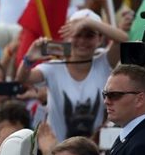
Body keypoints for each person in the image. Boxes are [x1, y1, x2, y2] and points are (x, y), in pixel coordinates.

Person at [18, 9, 123, 139]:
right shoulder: (52, 68)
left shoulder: (104, 63)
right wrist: (28, 59)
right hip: (57, 152)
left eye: (89, 35)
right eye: (77, 35)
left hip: (91, 152)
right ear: (67, 37)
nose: (82, 41)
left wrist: (88, 22)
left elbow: (123, 39)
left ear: (100, 38)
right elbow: (23, 78)